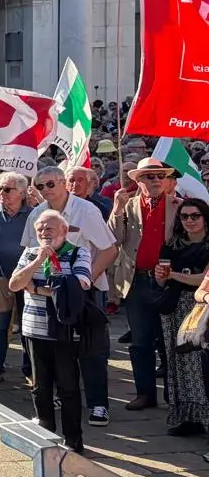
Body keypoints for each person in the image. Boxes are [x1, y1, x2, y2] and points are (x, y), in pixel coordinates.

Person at [26, 166, 117, 425]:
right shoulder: (36, 213)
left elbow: (109, 250)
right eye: (40, 186)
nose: (46, 190)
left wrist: (83, 283)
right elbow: (29, 251)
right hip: (48, 293)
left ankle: (98, 404)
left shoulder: (86, 210)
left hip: (84, 293)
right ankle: (58, 395)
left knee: (91, 349)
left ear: (64, 183)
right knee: (55, 347)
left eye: (50, 184)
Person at [9, 209, 91, 453]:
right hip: (34, 329)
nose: (44, 233)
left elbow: (80, 284)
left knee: (68, 386)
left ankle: (73, 439)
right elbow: (15, 284)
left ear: (64, 232)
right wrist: (37, 262)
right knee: (39, 385)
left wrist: (35, 289)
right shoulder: (30, 253)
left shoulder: (78, 252)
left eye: (50, 229)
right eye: (40, 229)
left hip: (64, 330)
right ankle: (45, 433)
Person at [108, 157, 184, 412]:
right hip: (138, 280)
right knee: (140, 342)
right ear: (138, 181)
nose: (155, 180)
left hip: (170, 281)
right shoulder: (127, 206)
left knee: (171, 341)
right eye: (149, 176)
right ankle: (144, 393)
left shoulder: (180, 206)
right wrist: (116, 209)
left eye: (159, 175)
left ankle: (174, 396)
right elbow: (115, 238)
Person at [158, 199, 209, 437]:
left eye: (195, 216)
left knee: (200, 363)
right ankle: (188, 418)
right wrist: (161, 276)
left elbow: (202, 280)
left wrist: (173, 275)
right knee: (178, 362)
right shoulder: (172, 244)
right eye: (184, 216)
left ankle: (205, 417)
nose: (189, 220)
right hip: (175, 307)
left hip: (202, 308)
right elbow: (162, 280)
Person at [0, 173, 33, 384]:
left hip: (28, 280)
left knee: (27, 327)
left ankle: (30, 370)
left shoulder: (34, 214)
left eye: (7, 189)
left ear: (22, 193)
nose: (1, 193)